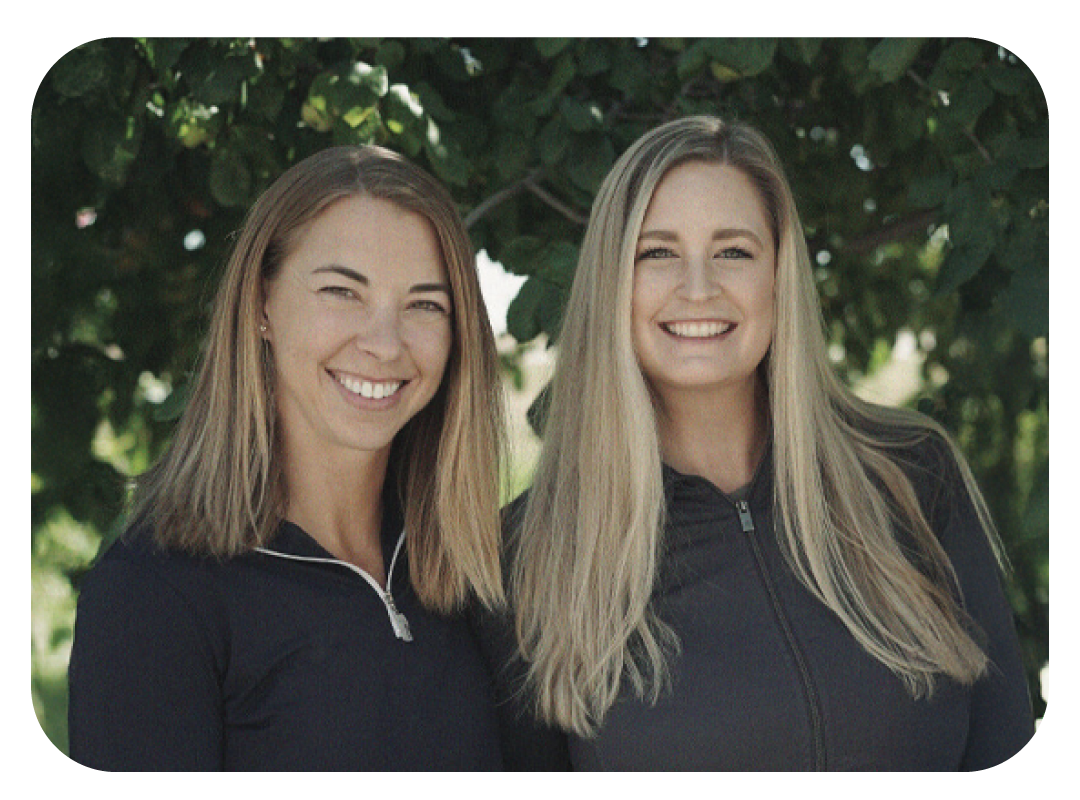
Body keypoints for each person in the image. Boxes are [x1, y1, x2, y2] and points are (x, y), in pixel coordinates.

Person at [474, 116, 1036, 771]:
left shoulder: (910, 477)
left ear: (779, 274)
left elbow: (1010, 761)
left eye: (733, 251)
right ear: (611, 285)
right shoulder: (529, 558)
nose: (698, 287)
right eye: (657, 253)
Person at [68, 145, 508, 770]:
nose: (384, 344)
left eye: (425, 304)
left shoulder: (477, 577)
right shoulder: (152, 593)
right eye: (341, 291)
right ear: (260, 304)